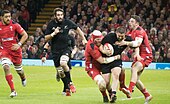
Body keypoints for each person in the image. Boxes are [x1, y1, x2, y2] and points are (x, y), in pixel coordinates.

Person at [44, 8, 87, 96]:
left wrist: (84, 39)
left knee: (63, 63)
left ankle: (70, 83)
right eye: (58, 15)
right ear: (55, 16)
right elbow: (46, 38)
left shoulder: (67, 22)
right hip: (55, 51)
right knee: (61, 73)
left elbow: (77, 29)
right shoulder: (51, 24)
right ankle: (66, 87)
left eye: (61, 15)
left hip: (65, 49)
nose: (60, 17)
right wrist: (53, 33)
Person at [116, 15, 153, 104]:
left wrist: (126, 43)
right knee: (136, 79)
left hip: (146, 54)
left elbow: (138, 43)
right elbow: (126, 41)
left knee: (134, 69)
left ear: (137, 23)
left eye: (132, 21)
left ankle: (129, 90)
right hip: (139, 55)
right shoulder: (130, 32)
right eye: (129, 21)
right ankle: (147, 95)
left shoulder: (140, 31)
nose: (129, 22)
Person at [85, 30, 121, 103]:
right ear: (93, 38)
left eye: (100, 39)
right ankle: (105, 96)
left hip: (100, 65)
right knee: (102, 83)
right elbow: (102, 61)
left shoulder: (101, 42)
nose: (99, 41)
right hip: (92, 67)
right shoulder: (91, 47)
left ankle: (111, 93)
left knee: (107, 82)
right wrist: (115, 57)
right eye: (97, 39)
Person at [99, 27, 133, 103]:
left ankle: (114, 94)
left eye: (122, 36)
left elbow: (135, 45)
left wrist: (126, 43)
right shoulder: (109, 37)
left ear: (125, 34)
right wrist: (104, 51)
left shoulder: (128, 39)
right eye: (119, 36)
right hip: (106, 60)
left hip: (116, 60)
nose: (120, 37)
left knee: (116, 75)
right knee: (106, 82)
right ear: (116, 33)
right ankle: (110, 93)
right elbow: (100, 46)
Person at [0, 10, 28, 98]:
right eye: (6, 17)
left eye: (9, 16)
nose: (8, 18)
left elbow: (25, 35)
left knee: (19, 71)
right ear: (1, 18)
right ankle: (13, 90)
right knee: (6, 66)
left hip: (15, 51)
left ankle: (23, 78)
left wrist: (19, 44)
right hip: (4, 51)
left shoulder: (15, 25)